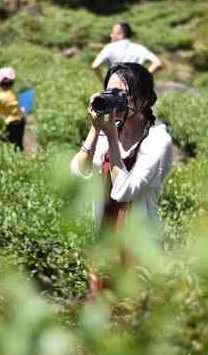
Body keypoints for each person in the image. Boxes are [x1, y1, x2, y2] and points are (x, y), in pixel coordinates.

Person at [71, 63, 173, 293]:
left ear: (144, 100)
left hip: (139, 243)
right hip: (105, 238)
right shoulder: (111, 130)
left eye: (122, 95)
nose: (115, 100)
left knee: (133, 315)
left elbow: (124, 190)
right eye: (110, 93)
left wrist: (110, 136)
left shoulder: (158, 140)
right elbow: (77, 172)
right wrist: (96, 129)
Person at [91, 22, 163, 83]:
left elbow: (95, 66)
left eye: (113, 33)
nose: (111, 35)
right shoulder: (140, 48)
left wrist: (105, 83)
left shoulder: (109, 47)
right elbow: (157, 63)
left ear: (121, 34)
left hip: (116, 88)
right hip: (135, 90)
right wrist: (141, 78)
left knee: (93, 98)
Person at [0, 67, 25, 151]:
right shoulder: (14, 93)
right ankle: (21, 155)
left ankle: (15, 157)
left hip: (11, 123)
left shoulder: (0, 97)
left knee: (11, 142)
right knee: (19, 141)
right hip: (21, 120)